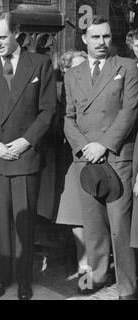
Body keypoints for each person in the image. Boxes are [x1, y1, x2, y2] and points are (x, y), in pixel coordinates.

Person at [0, 11, 57, 300]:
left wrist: (25, 141)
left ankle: (24, 281)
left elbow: (48, 110)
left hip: (24, 155)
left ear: (16, 32)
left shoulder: (40, 64)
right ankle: (1, 277)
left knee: (24, 222)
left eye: (2, 37)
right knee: (1, 221)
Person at [64, 15, 138, 300]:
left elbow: (129, 112)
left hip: (116, 157)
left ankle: (128, 286)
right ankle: (95, 278)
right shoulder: (73, 75)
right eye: (95, 37)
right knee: (92, 224)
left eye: (106, 36)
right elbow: (68, 118)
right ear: (84, 39)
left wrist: (103, 145)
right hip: (86, 159)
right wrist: (85, 147)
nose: (102, 42)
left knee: (120, 226)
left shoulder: (127, 67)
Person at [55, 51, 89, 280]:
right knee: (75, 215)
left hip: (97, 156)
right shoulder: (60, 94)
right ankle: (82, 264)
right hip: (68, 160)